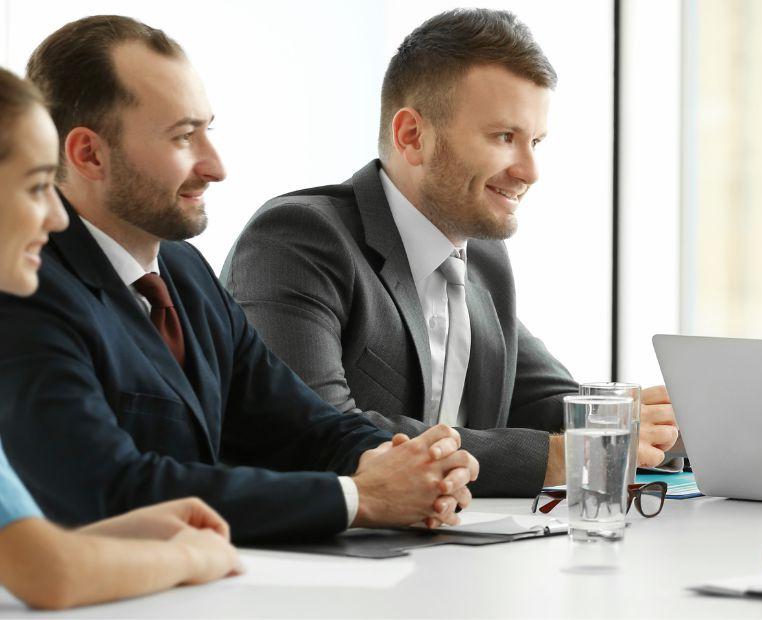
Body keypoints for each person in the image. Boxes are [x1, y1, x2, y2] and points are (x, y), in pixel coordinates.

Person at [0, 15, 478, 544]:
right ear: (89, 154)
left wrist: (406, 462)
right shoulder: (24, 288)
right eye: (184, 136)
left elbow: (297, 423)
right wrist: (360, 498)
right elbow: (106, 487)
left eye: (209, 129)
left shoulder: (183, 270)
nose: (216, 165)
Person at [222, 8, 679, 497]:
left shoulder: (481, 258)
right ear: (412, 137)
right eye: (504, 137)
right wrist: (559, 458)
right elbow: (313, 430)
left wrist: (650, 421)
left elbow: (542, 399)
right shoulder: (299, 239)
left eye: (536, 142)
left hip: (456, 550)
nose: (530, 170)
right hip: (331, 558)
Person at [0, 66, 239, 610]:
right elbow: (48, 575)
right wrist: (193, 558)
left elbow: (20, 549)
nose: (59, 217)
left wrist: (128, 530)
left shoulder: (188, 272)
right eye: (38, 185)